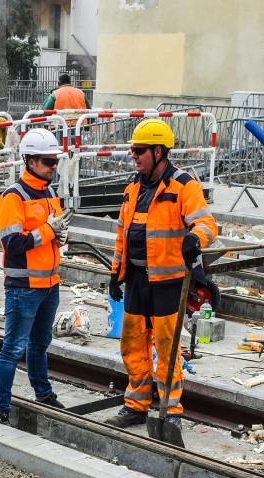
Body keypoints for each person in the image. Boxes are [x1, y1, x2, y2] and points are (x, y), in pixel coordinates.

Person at [104, 119, 217, 428]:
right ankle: (136, 404)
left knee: (166, 346)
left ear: (158, 151)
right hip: (138, 280)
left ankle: (171, 410)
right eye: (132, 150)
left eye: (139, 151)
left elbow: (207, 224)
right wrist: (116, 275)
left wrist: (195, 238)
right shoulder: (132, 190)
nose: (133, 156)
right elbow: (121, 237)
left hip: (168, 282)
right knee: (132, 343)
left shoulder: (183, 186)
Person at [0, 128, 72, 424]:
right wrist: (49, 231)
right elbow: (12, 243)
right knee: (13, 348)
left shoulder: (49, 192)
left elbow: (54, 232)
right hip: (24, 287)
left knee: (39, 345)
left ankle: (43, 392)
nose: (54, 166)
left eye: (55, 161)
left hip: (49, 284)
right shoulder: (13, 197)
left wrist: (61, 235)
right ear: (31, 161)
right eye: (49, 161)